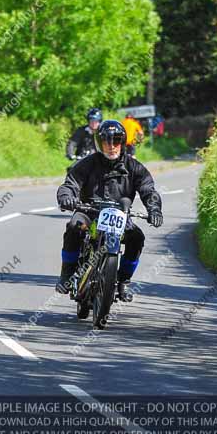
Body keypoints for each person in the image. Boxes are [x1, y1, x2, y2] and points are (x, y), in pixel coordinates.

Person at [56, 119, 163, 301]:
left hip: (120, 215)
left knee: (136, 238)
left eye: (116, 141)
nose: (111, 146)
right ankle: (66, 274)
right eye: (106, 141)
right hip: (89, 211)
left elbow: (148, 189)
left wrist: (154, 209)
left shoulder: (134, 166)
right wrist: (67, 197)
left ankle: (123, 281)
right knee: (74, 226)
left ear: (122, 142)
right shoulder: (87, 163)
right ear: (100, 143)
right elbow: (70, 183)